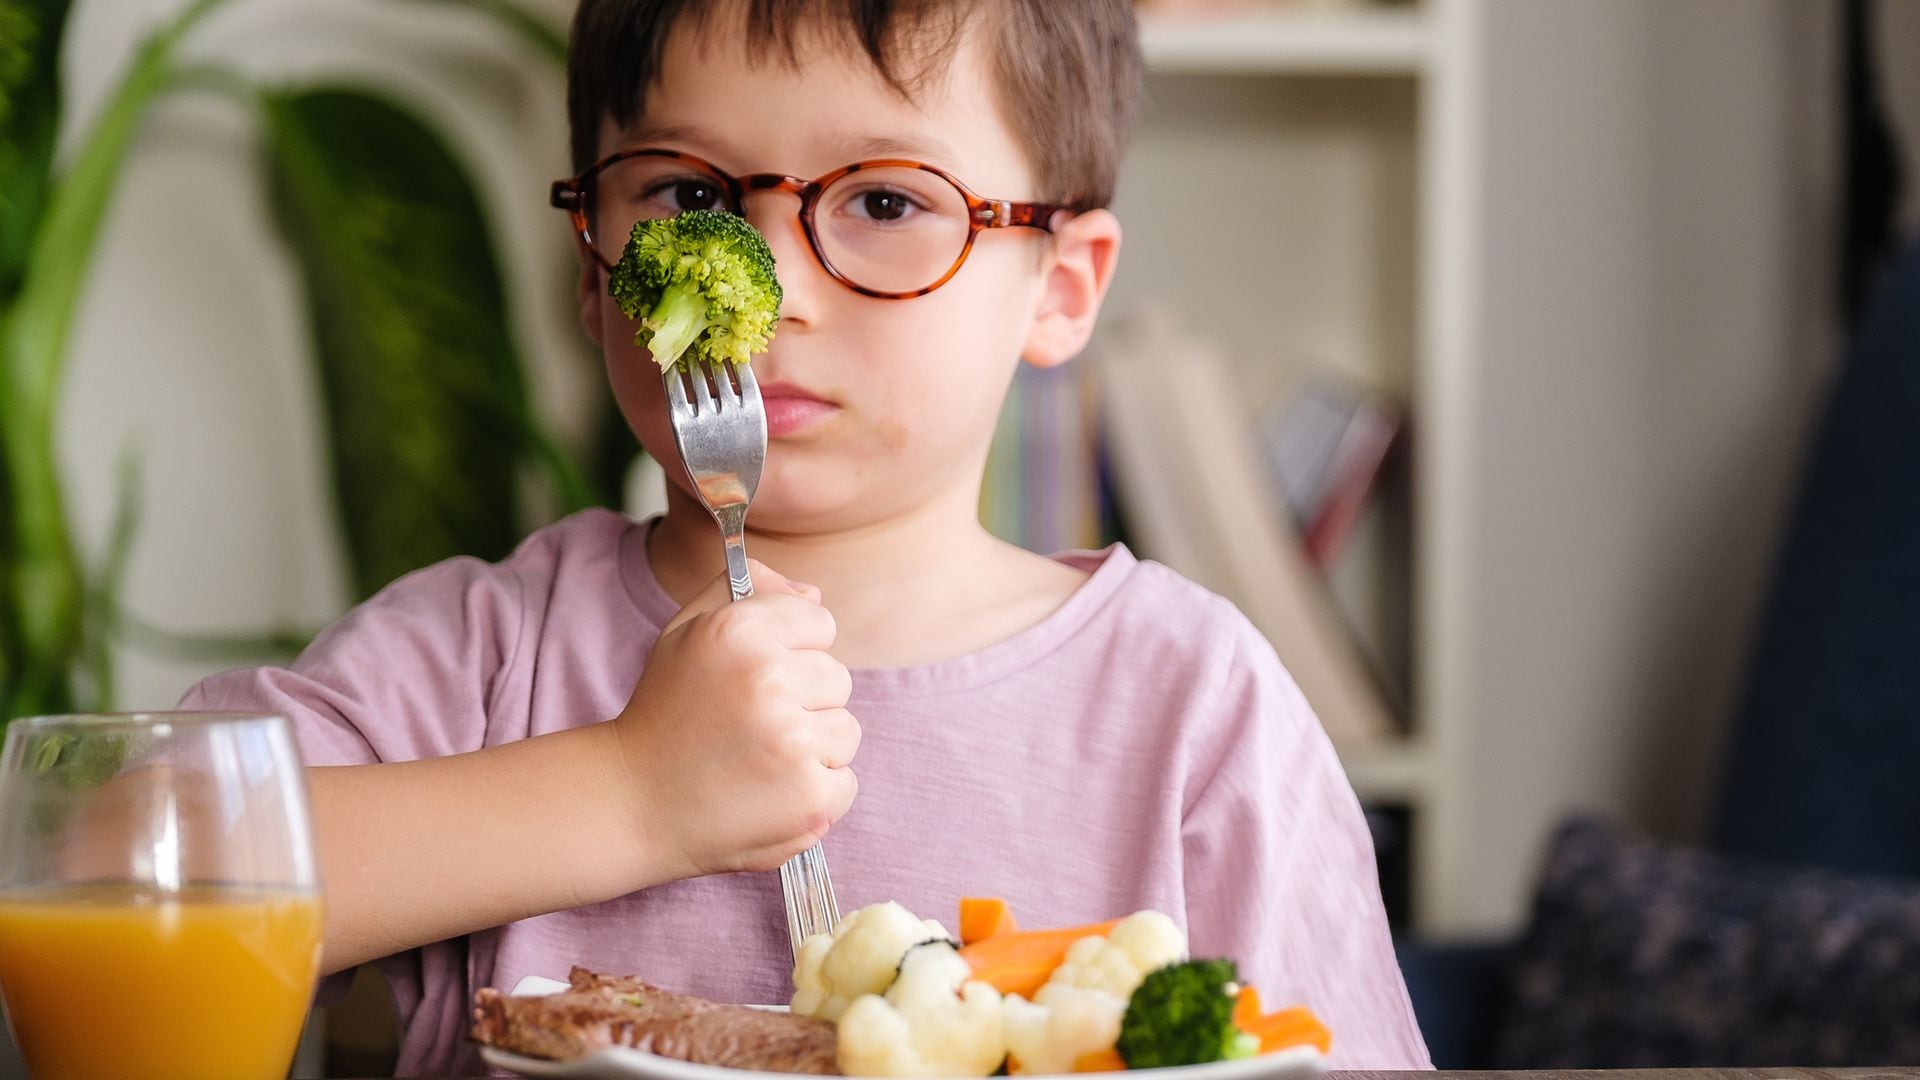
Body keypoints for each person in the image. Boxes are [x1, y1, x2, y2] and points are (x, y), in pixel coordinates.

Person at [182, 1, 1431, 1073]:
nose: (768, 289)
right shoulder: (484, 657)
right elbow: (118, 860)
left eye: (887, 199)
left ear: (1061, 288)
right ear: (589, 265)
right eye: (686, 196)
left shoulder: (1195, 706)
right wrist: (623, 793)